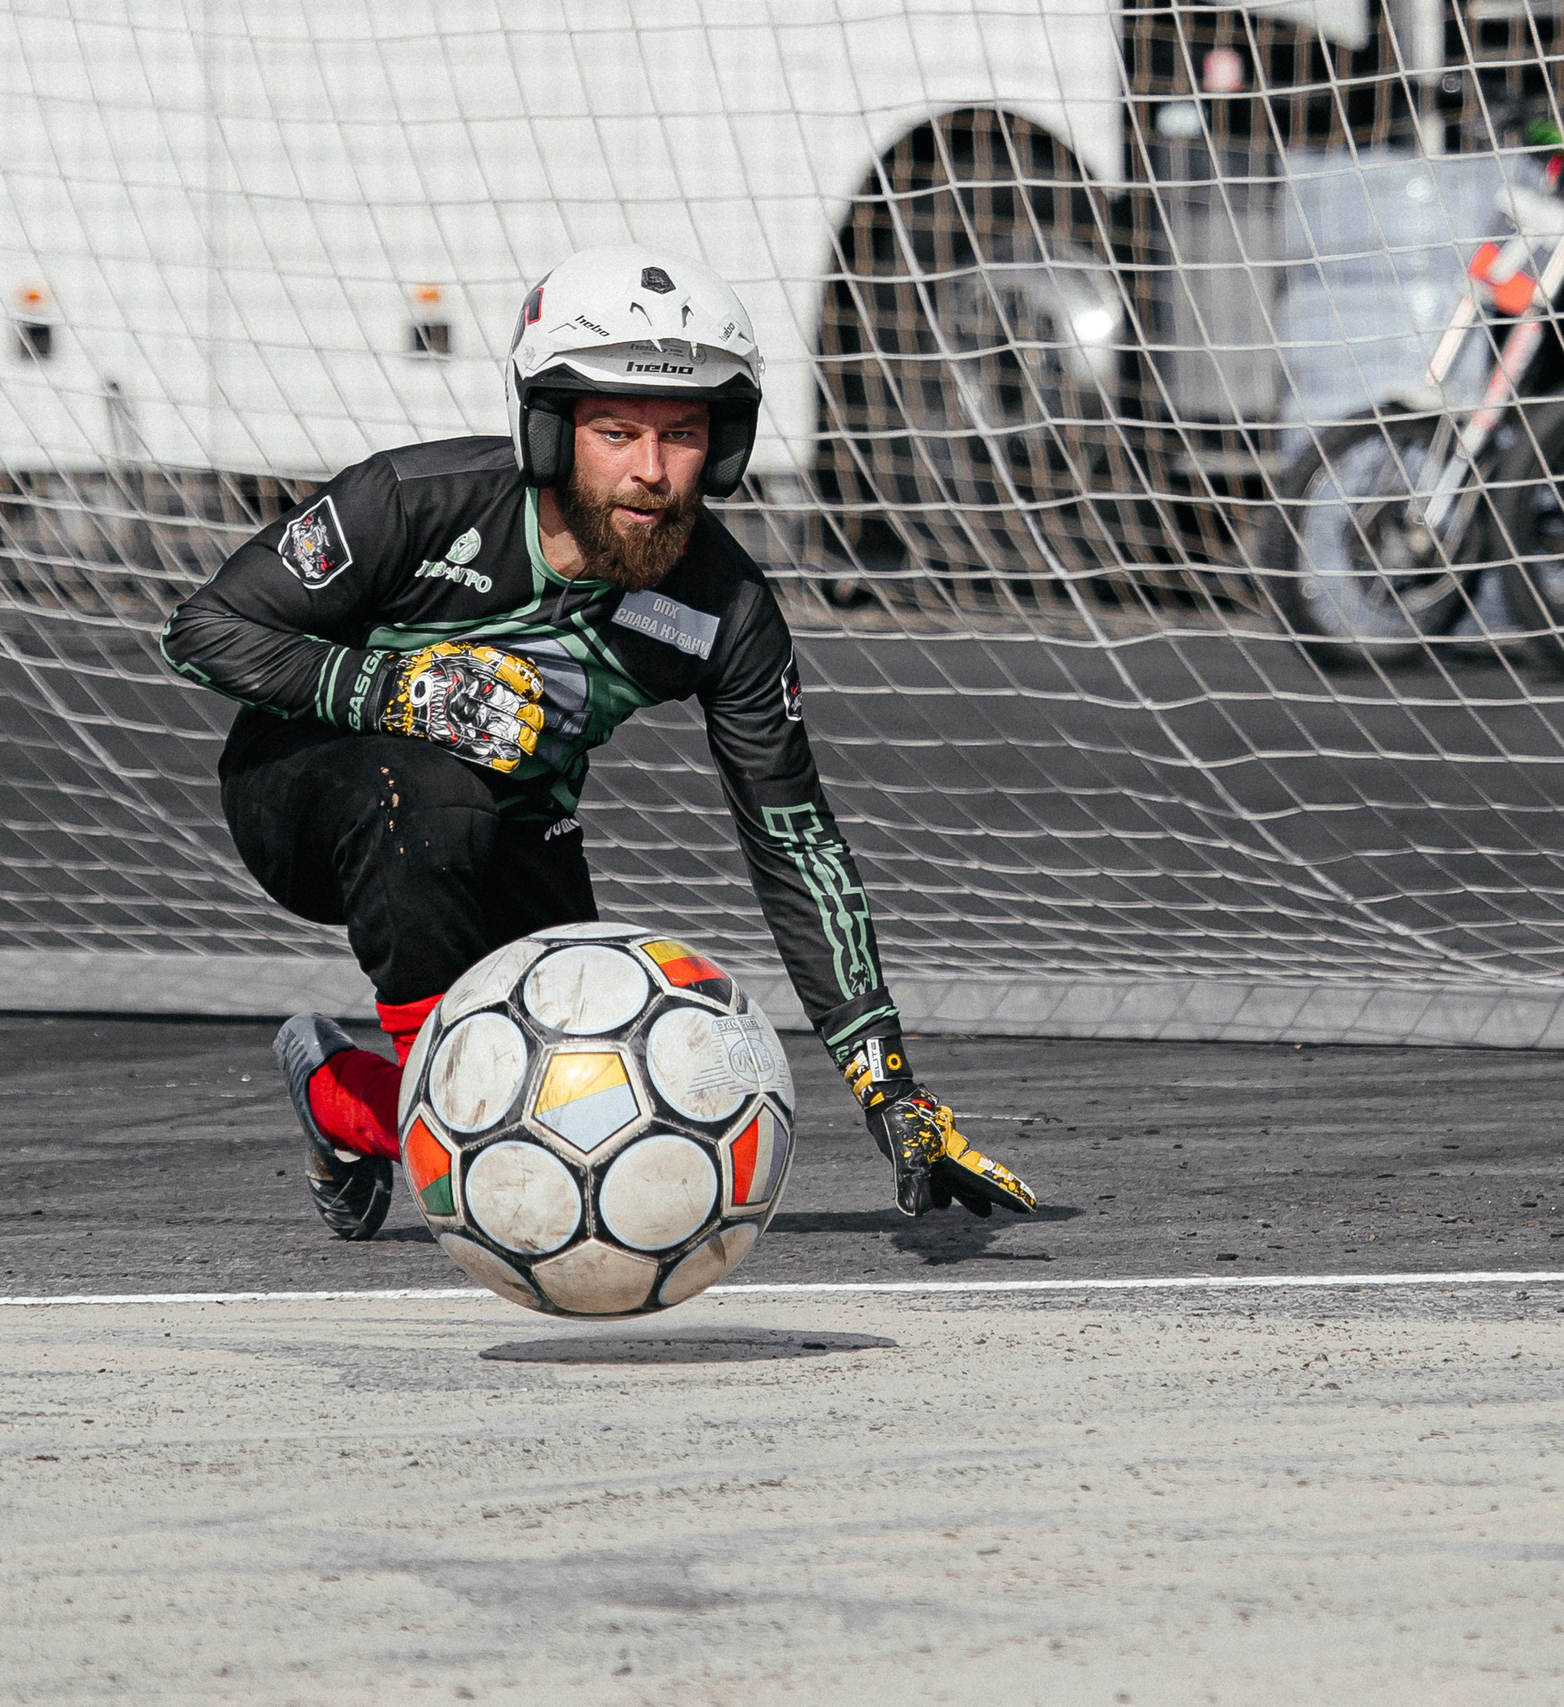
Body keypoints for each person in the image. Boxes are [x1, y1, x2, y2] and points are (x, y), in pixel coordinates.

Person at [159, 244, 1035, 1239]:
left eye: (685, 435)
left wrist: (889, 1087)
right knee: (433, 814)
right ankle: (437, 1106)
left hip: (509, 826)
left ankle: (341, 1099)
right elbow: (203, 630)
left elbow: (794, 843)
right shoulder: (410, 501)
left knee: (579, 1103)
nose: (651, 473)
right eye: (616, 431)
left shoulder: (727, 610)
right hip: (305, 792)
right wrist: (390, 687)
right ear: (547, 429)